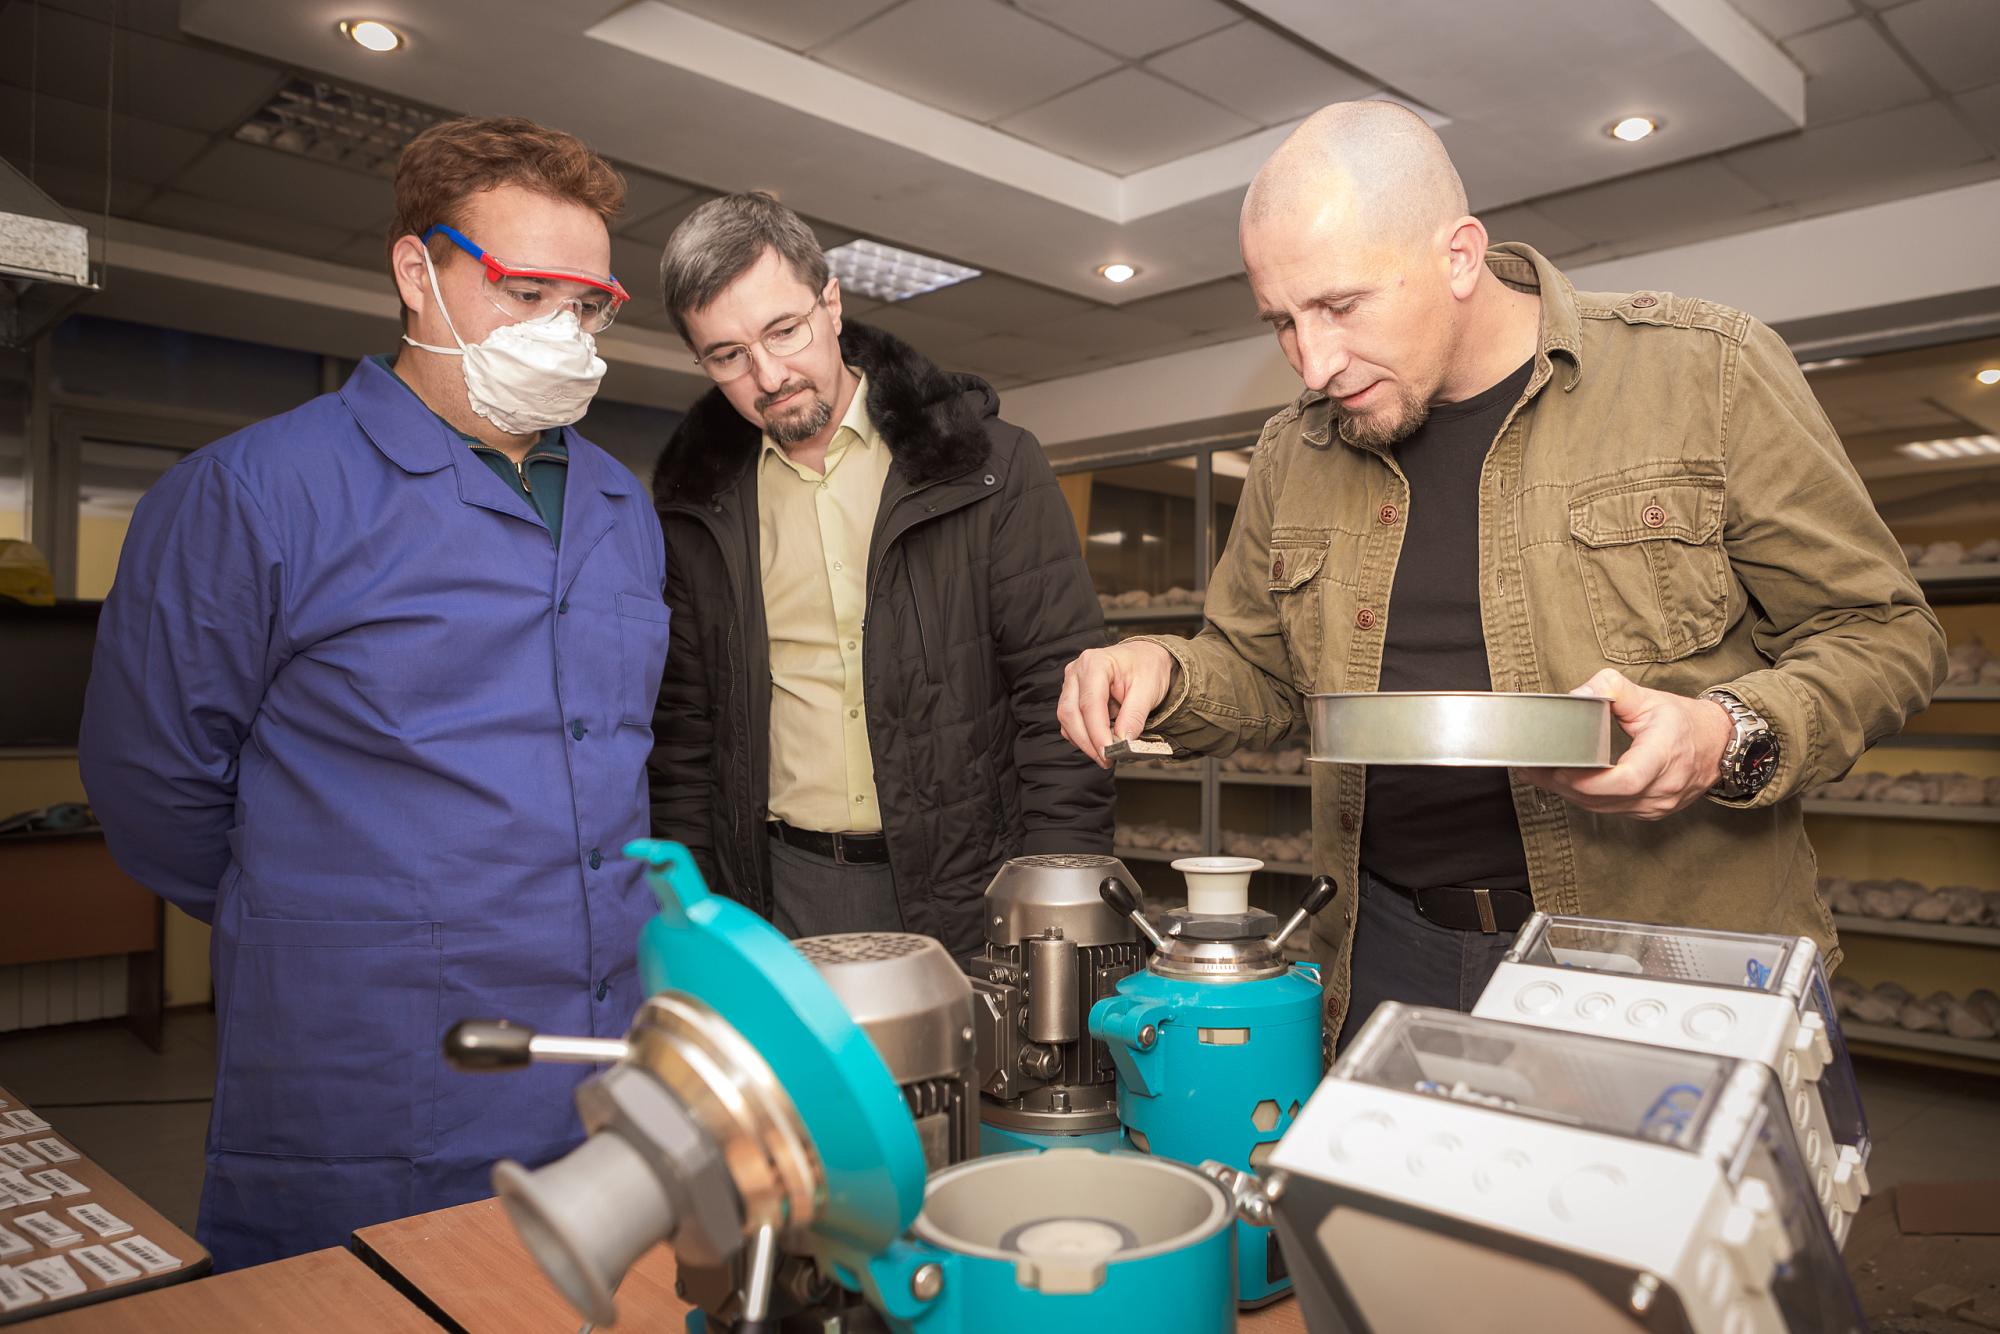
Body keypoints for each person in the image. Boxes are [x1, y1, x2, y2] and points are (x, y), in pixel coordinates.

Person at [1057, 102, 1946, 1049]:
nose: (1313, 364)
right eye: (1283, 321)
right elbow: (1264, 676)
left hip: (1660, 953)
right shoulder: (1295, 452)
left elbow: (1883, 631)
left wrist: (1724, 734)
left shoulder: (1704, 375)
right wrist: (1163, 669)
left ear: (1460, 256)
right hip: (1387, 947)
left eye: (1341, 307)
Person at [79, 116, 669, 1269]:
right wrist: (333, 914)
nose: (562, 330)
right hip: (371, 1054)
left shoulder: (618, 504)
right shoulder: (253, 492)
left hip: (599, 1052)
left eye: (589, 304)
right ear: (416, 272)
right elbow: (152, 789)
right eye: (526, 291)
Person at [648, 192, 1112, 955]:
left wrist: (1062, 905)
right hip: (777, 890)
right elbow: (685, 740)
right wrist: (692, 922)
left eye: (785, 330)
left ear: (832, 304)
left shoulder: (988, 466)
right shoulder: (698, 510)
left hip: (973, 889)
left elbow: (1059, 702)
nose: (769, 375)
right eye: (728, 356)